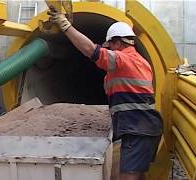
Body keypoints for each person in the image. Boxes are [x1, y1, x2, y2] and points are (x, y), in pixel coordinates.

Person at [48, 6, 163, 180]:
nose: (109, 50)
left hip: (136, 129)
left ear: (118, 42)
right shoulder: (140, 61)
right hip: (143, 127)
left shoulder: (123, 60)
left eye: (110, 46)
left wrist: (65, 26)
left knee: (127, 177)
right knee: (138, 174)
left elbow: (91, 51)